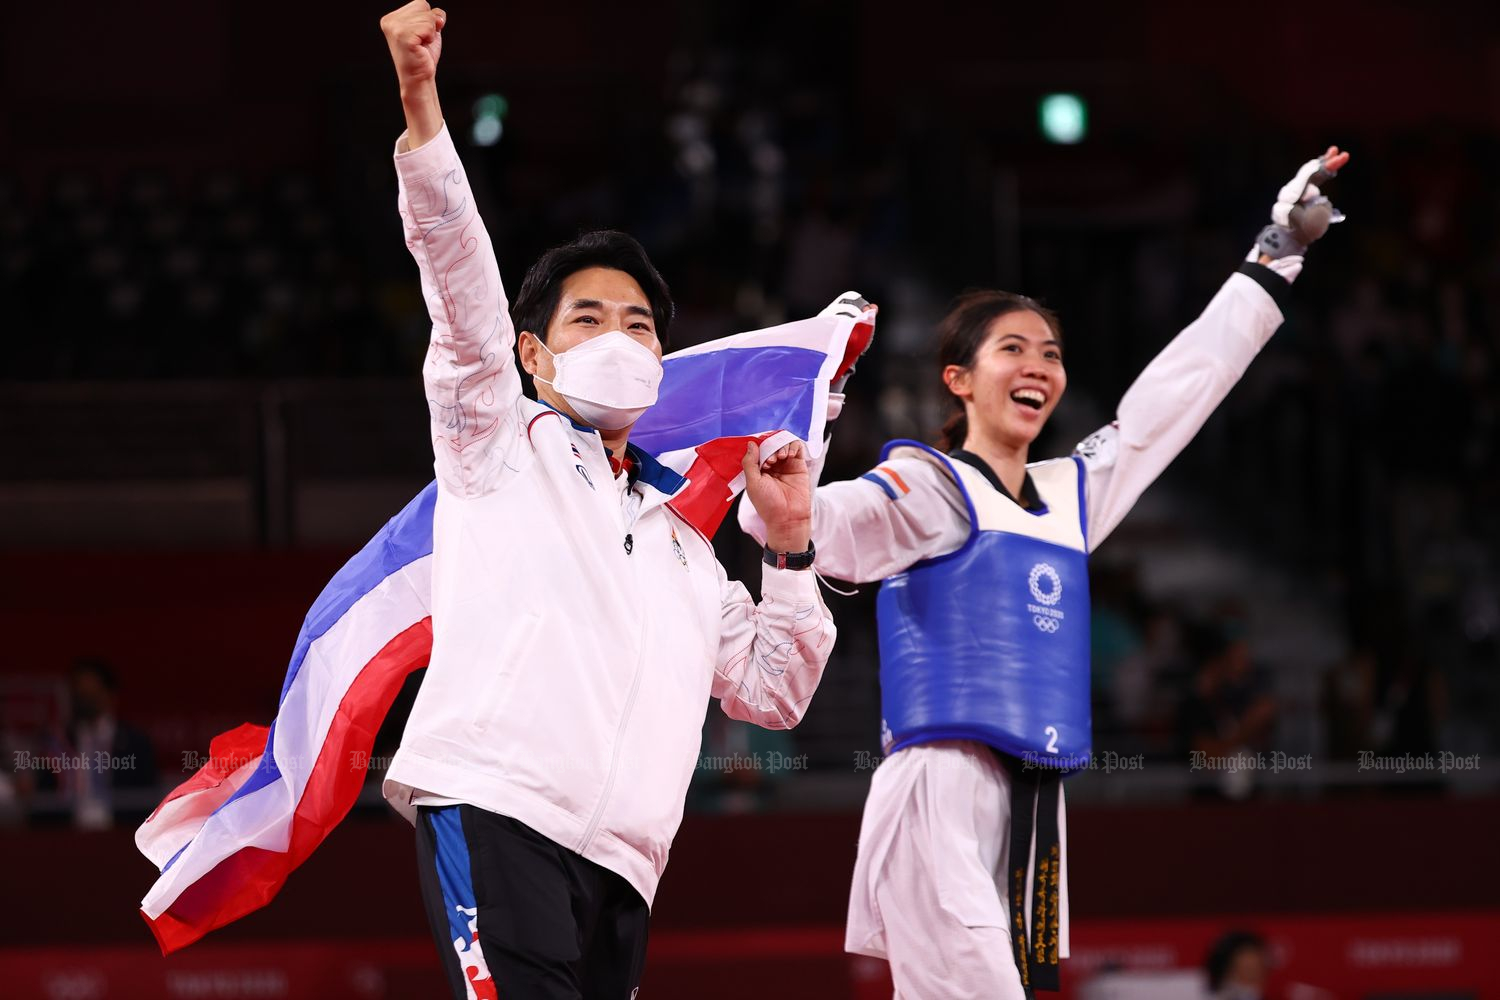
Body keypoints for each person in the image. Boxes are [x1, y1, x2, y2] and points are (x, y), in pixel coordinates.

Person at [741, 148, 1350, 998]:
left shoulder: (1071, 492)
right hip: (940, 789)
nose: (1040, 365)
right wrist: (789, 493)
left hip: (1035, 809)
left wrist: (1275, 255)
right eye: (1013, 348)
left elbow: (1179, 395)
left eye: (1052, 353)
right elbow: (812, 526)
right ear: (957, 380)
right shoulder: (927, 484)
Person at [377, 4, 836, 998]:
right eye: (588, 318)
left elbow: (774, 689)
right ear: (533, 354)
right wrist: (422, 107)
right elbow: (460, 291)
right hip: (494, 808)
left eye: (639, 323)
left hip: (628, 861)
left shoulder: (687, 545)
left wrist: (791, 549)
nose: (619, 336)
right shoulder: (497, 439)